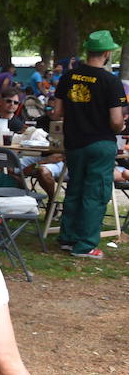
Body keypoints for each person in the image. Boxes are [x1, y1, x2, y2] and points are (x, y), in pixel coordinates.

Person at [51, 30, 128, 258]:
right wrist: (120, 128)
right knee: (95, 193)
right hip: (100, 143)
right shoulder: (110, 81)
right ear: (106, 53)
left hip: (74, 143)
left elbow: (56, 112)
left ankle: (67, 238)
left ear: (88, 50)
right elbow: (115, 121)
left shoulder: (68, 77)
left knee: (75, 189)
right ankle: (85, 245)